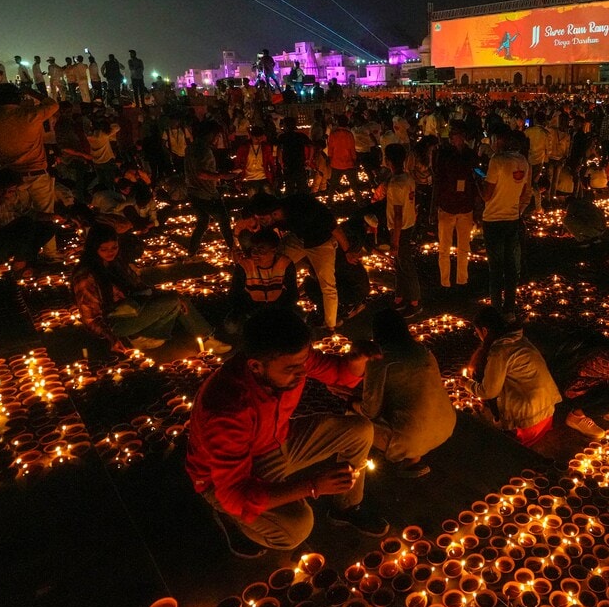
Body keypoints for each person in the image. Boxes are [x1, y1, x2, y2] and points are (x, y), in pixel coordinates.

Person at [185, 306, 387, 557]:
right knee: (296, 528)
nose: (302, 373)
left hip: (275, 439)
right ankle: (234, 521)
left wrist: (356, 361)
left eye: (304, 363)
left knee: (360, 430)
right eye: (291, 369)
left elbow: (339, 374)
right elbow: (235, 495)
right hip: (225, 480)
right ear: (256, 366)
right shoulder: (228, 410)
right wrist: (312, 485)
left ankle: (346, 507)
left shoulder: (289, 358)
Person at [71, 224, 231, 353]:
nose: (110, 253)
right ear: (93, 249)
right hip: (114, 325)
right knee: (173, 302)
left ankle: (204, 338)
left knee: (177, 299)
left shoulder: (116, 263)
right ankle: (204, 339)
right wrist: (112, 338)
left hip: (133, 310)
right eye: (104, 249)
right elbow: (90, 318)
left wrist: (165, 294)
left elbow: (140, 286)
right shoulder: (86, 276)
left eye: (114, 247)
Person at [358, 310, 456, 478]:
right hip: (446, 425)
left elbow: (370, 410)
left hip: (409, 437)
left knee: (354, 421)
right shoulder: (424, 351)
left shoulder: (379, 359)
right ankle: (415, 454)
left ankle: (350, 489)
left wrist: (352, 402)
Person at [0, 83, 60, 256]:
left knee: (20, 217)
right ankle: (50, 254)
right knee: (46, 215)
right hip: (37, 173)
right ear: (18, 98)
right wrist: (31, 91)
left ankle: (22, 255)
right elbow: (53, 104)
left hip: (11, 177)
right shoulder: (30, 115)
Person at [464, 307, 561, 447]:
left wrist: (467, 383)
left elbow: (488, 391)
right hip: (546, 413)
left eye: (477, 332)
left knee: (481, 377)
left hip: (527, 422)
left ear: (484, 331)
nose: (478, 335)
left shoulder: (499, 351)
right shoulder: (519, 339)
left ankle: (501, 424)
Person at [270, 193, 355, 332]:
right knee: (274, 263)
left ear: (281, 209)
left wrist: (348, 251)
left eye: (274, 214)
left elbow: (336, 229)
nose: (273, 218)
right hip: (299, 239)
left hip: (321, 243)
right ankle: (274, 305)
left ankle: (331, 325)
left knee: (327, 284)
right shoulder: (278, 213)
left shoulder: (310, 210)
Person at [479, 129, 531, 319]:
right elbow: (525, 191)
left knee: (496, 267)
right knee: (510, 267)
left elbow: (486, 195)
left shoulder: (497, 161)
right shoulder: (523, 162)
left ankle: (495, 308)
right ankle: (509, 309)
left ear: (499, 140)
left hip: (493, 219)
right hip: (512, 218)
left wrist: (479, 181)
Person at [432, 122, 477, 289]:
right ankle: (445, 281)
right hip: (448, 205)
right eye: (453, 134)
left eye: (458, 134)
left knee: (464, 247)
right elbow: (438, 177)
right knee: (444, 247)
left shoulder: (470, 154)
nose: (456, 137)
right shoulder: (444, 154)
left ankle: (461, 279)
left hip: (465, 205)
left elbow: (475, 174)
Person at [227, 229, 298, 332]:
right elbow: (234, 296)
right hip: (252, 307)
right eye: (253, 249)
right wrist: (251, 312)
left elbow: (293, 294)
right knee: (231, 326)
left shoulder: (285, 264)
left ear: (274, 251)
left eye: (261, 250)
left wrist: (280, 311)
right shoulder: (244, 266)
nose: (255, 254)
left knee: (298, 321)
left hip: (277, 307)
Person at [185, 119, 237, 257]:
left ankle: (191, 251)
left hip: (192, 191)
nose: (217, 138)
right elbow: (201, 173)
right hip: (207, 193)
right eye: (216, 135)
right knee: (224, 221)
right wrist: (221, 176)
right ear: (210, 134)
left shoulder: (191, 146)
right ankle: (234, 250)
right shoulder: (203, 149)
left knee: (202, 221)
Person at [384, 143, 420, 316]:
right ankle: (400, 297)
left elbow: (397, 215)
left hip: (401, 228)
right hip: (409, 224)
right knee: (399, 264)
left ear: (388, 160)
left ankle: (414, 302)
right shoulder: (408, 178)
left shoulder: (396, 185)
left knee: (405, 265)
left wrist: (395, 241)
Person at [234, 125, 277, 197]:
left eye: (260, 139)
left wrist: (274, 177)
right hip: (250, 179)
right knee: (253, 203)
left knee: (271, 201)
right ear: (251, 136)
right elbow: (238, 163)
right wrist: (238, 180)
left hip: (264, 177)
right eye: (256, 139)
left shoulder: (266, 147)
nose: (258, 141)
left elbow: (271, 163)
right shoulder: (244, 148)